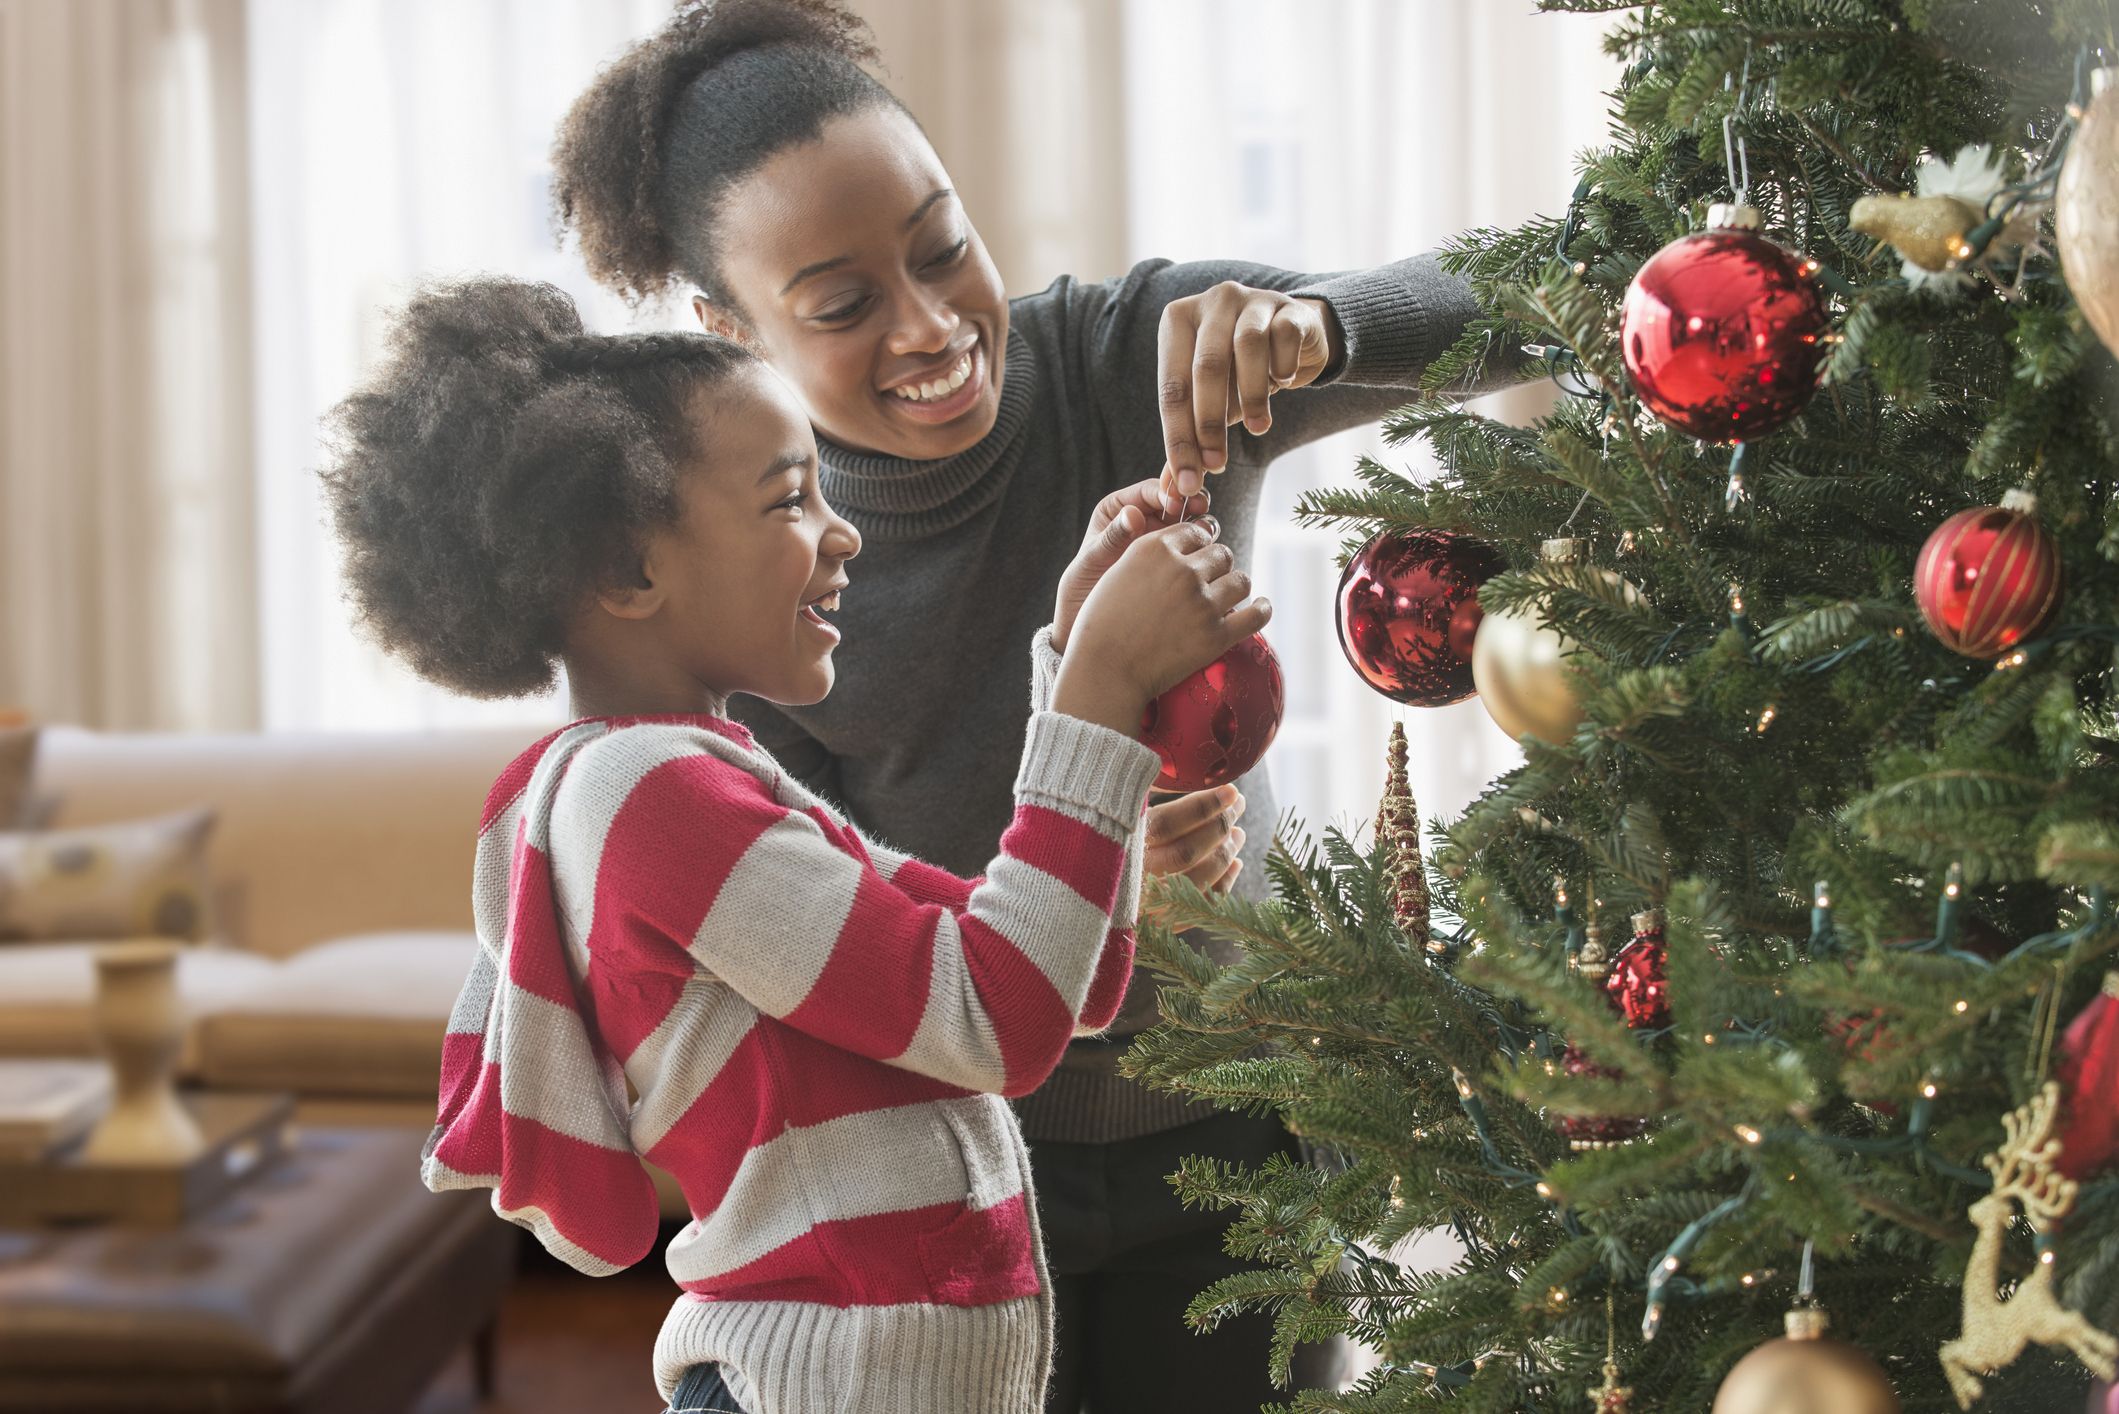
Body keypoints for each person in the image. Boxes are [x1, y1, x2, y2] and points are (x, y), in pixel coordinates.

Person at [552, 2, 1509, 1405]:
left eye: (941, 248)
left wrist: (1324, 322)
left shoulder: (1137, 362)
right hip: (956, 1190)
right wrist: (1097, 868)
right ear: (726, 328)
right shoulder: (741, 584)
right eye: (841, 304)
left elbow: (1524, 301)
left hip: (1239, 1138)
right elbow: (830, 960)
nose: (931, 325)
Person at [318, 276, 1268, 1413]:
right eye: (787, 501)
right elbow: (996, 1015)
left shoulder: (690, 778)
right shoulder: (645, 796)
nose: (842, 531)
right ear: (629, 571)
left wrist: (1072, 656)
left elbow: (1051, 984)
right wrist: (1096, 697)